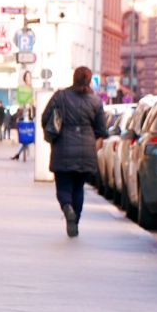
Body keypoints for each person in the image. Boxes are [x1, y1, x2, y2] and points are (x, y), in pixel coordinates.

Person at [42, 66, 108, 237]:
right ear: (89, 80)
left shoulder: (60, 96)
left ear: (74, 78)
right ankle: (75, 221)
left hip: (62, 148)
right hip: (86, 150)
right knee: (78, 188)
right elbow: (102, 129)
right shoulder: (95, 101)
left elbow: (45, 117)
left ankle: (67, 208)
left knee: (63, 186)